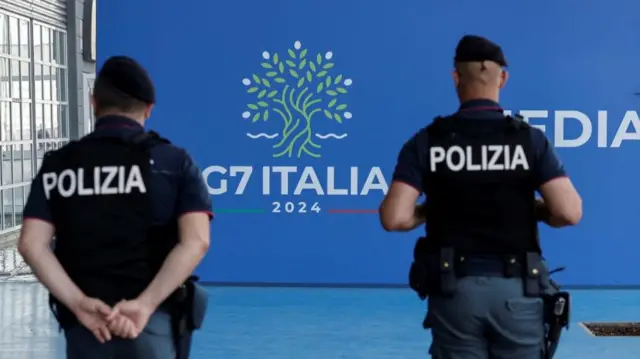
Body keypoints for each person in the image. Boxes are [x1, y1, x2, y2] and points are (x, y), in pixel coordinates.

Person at [378, 35, 582, 359]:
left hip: (454, 293)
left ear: (456, 78)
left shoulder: (429, 140)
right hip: (517, 292)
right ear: (502, 78)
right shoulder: (529, 140)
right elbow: (569, 212)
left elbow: (395, 218)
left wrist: (437, 209)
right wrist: (532, 210)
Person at [18, 56, 212, 359]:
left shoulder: (59, 165)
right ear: (149, 109)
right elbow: (197, 241)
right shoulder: (173, 163)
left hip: (86, 327)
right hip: (152, 325)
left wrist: (78, 302)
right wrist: (145, 304)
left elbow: (31, 244)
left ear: (94, 103)